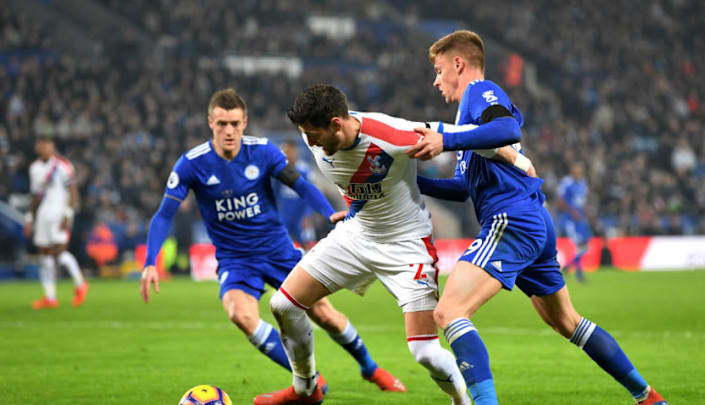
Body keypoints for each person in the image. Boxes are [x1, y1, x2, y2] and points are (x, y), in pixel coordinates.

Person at [406, 30, 666, 405]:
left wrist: (445, 138)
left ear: (458, 64)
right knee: (568, 323)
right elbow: (463, 188)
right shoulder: (468, 119)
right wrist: (413, 183)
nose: (435, 79)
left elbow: (508, 128)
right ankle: (649, 397)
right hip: (532, 221)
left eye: (438, 68)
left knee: (449, 312)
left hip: (511, 219)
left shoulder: (480, 92)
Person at [139, 88, 403, 394]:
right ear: (210, 122)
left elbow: (301, 185)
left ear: (245, 122)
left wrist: (330, 213)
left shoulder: (263, 151)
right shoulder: (191, 163)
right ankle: (310, 380)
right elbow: (163, 215)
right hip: (235, 260)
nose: (229, 130)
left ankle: (370, 368)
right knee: (240, 315)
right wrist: (149, 262)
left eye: (235, 124)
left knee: (323, 314)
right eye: (222, 123)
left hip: (278, 251)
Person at [255, 84, 478, 405]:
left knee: (425, 352)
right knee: (284, 305)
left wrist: (513, 154)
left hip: (406, 245)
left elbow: (467, 134)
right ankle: (305, 387)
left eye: (314, 135)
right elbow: (357, 178)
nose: (310, 142)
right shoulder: (314, 137)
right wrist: (356, 208)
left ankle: (462, 401)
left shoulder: (393, 134)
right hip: (355, 235)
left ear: (336, 124)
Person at [25, 135, 89, 309]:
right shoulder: (35, 168)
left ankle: (80, 284)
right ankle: (50, 297)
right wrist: (30, 217)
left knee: (59, 252)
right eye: (40, 145)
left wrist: (68, 214)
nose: (43, 148)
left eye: (47, 145)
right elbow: (35, 196)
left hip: (59, 213)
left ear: (52, 146)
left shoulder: (62, 165)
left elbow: (73, 191)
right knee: (44, 253)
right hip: (43, 215)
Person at [274, 139, 317, 250]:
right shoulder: (279, 170)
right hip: (284, 213)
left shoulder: (305, 170)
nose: (288, 153)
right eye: (286, 151)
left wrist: (308, 214)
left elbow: (310, 194)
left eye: (291, 151)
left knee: (307, 242)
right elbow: (276, 192)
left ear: (296, 151)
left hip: (301, 213)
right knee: (281, 242)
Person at [557, 163, 591, 282]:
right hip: (570, 220)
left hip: (580, 219)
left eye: (580, 170)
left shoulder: (583, 183)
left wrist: (584, 214)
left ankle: (568, 266)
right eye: (576, 170)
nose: (578, 172)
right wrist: (572, 212)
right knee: (578, 245)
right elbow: (561, 201)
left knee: (585, 246)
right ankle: (579, 273)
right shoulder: (567, 183)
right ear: (572, 171)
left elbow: (584, 201)